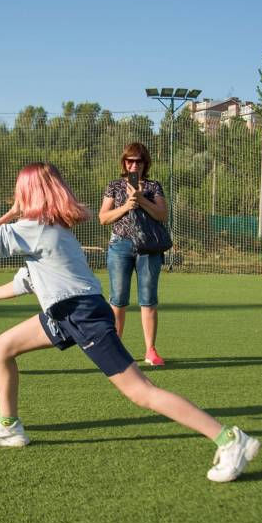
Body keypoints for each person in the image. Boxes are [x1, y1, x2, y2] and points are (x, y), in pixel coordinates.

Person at [0, 162, 261, 482]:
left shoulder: (34, 228)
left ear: (27, 193)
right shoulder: (53, 229)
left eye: (20, 191)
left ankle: (229, 438)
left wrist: (14, 212)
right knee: (3, 346)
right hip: (66, 312)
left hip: (82, 314)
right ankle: (9, 427)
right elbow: (29, 281)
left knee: (142, 392)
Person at [98, 142, 168, 366]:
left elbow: (162, 215)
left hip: (148, 248)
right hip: (120, 246)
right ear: (124, 162)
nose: (133, 165)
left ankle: (150, 350)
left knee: (148, 300)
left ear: (145, 163)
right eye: (129, 160)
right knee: (118, 300)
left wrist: (142, 200)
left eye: (138, 161)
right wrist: (127, 205)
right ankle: (117, 351)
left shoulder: (153, 186)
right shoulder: (115, 186)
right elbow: (103, 218)